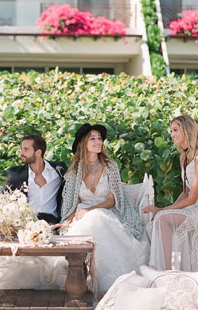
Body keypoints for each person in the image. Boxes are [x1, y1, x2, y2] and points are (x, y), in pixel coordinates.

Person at [53, 123, 146, 295]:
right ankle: (83, 278)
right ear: (83, 143)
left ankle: (109, 284)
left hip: (106, 212)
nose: (98, 142)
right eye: (92, 138)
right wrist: (67, 221)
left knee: (96, 218)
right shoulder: (74, 172)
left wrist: (91, 210)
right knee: (87, 223)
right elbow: (74, 203)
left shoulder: (110, 166)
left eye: (99, 138)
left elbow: (112, 200)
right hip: (82, 215)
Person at [143, 115, 198, 271]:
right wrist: (169, 208)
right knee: (156, 222)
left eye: (175, 130)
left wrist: (162, 210)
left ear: (187, 130)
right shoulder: (183, 157)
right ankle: (161, 269)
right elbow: (186, 193)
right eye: (171, 131)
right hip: (194, 206)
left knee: (162, 218)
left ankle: (164, 271)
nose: (172, 134)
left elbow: (192, 198)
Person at [3, 134, 67, 224]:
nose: (21, 153)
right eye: (22, 149)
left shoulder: (59, 169)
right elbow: (2, 198)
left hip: (51, 221)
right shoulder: (15, 174)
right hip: (25, 221)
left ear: (38, 153)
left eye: (25, 149)